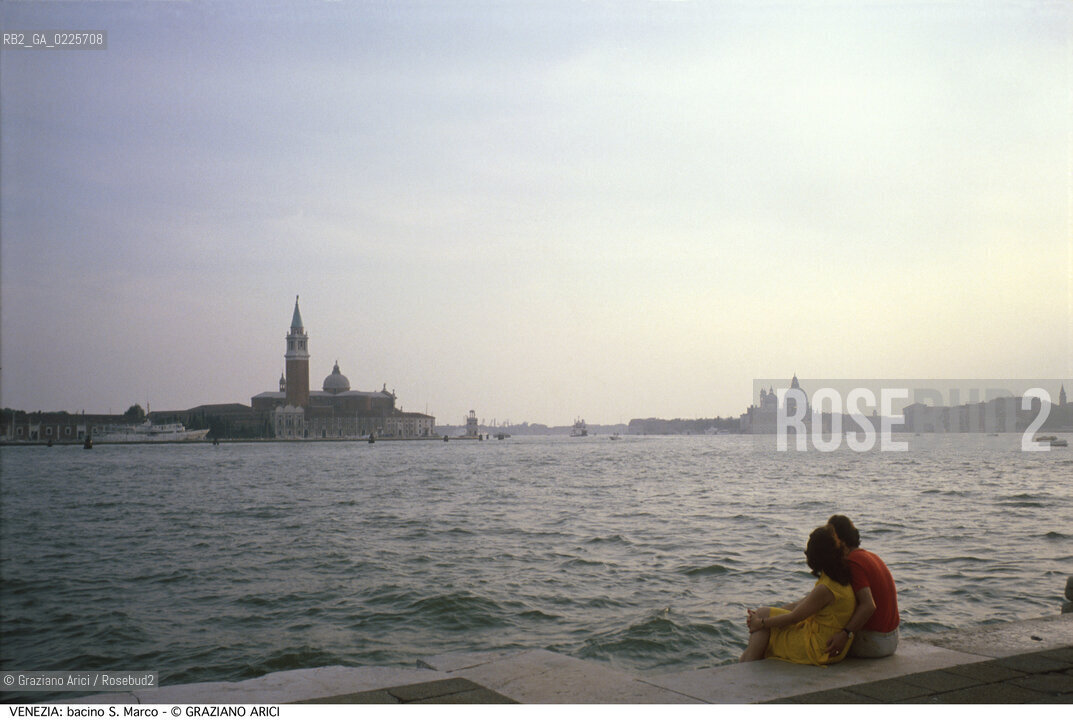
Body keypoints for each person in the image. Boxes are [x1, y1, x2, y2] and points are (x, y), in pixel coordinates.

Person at [739, 526, 856, 664]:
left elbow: (794, 617)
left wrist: (761, 623)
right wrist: (765, 616)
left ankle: (746, 665)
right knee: (763, 614)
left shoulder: (825, 588)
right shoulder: (836, 578)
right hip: (826, 643)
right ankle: (747, 661)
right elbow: (799, 604)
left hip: (818, 649)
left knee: (763, 627)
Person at [824, 514, 900, 658]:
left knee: (817, 642)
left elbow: (868, 605)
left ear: (840, 541)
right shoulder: (872, 556)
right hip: (893, 638)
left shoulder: (853, 562)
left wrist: (845, 634)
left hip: (874, 643)